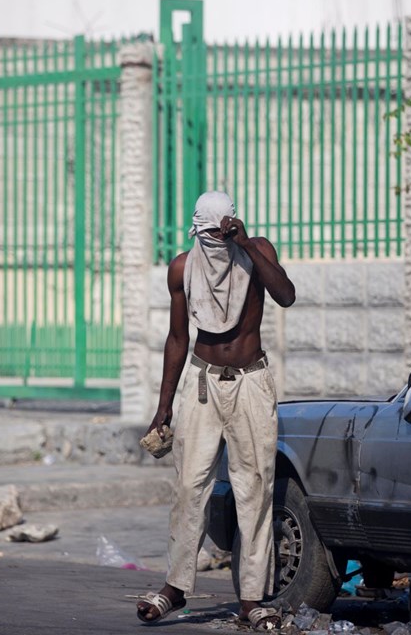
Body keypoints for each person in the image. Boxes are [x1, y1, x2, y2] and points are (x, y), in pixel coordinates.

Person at [136, 190, 296, 630]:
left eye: (223, 232)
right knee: (190, 484)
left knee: (255, 488)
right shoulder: (183, 268)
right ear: (196, 232)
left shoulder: (257, 251)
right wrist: (163, 406)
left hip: (250, 382)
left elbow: (286, 295)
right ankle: (175, 587)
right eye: (209, 234)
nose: (217, 241)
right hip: (202, 381)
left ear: (235, 225)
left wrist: (243, 243)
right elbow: (177, 339)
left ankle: (251, 599)